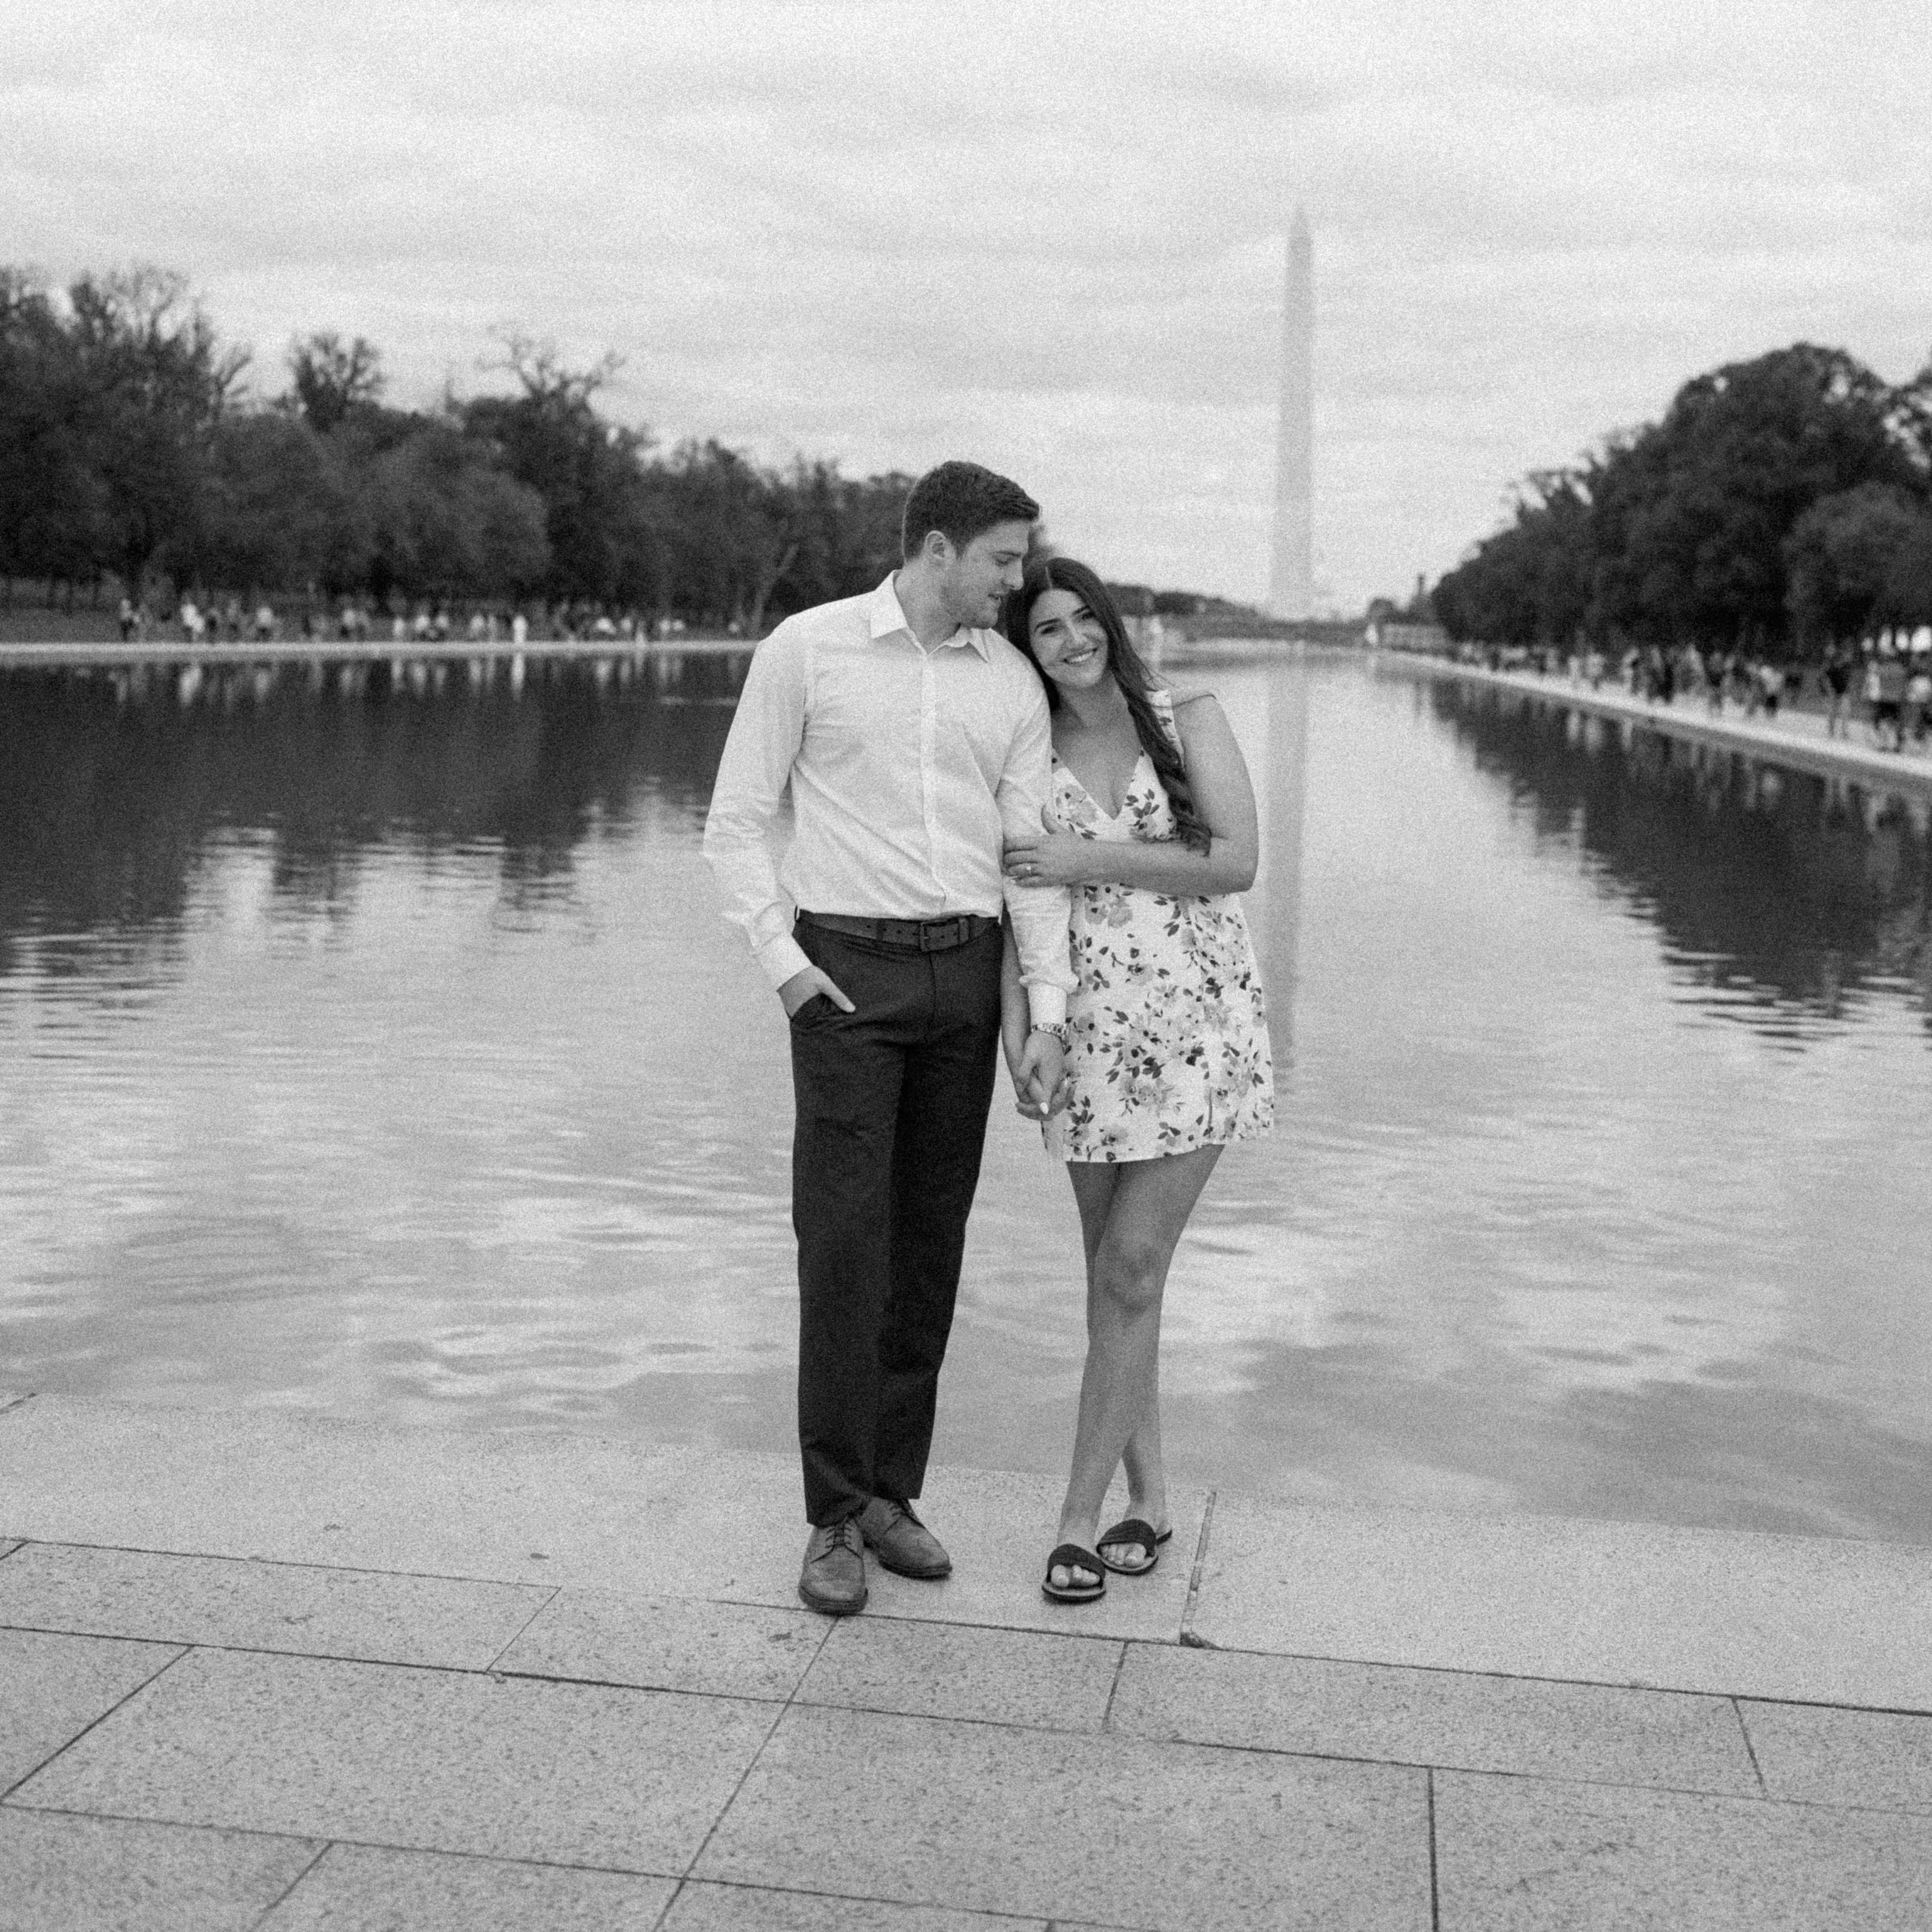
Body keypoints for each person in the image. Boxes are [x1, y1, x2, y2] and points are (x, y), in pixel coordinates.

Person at [704, 461, 1074, 1617]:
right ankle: (828, 1514)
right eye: (1003, 560)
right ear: (934, 548)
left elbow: (1028, 861)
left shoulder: (1009, 681)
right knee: (843, 1243)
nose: (1017, 583)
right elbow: (733, 821)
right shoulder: (806, 650)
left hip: (963, 975)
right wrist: (785, 967)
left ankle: (887, 1494)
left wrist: (1046, 1011)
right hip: (844, 976)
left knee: (926, 1246)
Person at [998, 558, 1274, 1604]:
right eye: (1046, 629)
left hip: (1201, 1028)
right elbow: (1011, 910)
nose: (1070, 641)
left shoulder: (1185, 717)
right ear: (1028, 649)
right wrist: (1022, 1034)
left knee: (1130, 1265)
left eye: (1081, 620)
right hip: (1088, 1041)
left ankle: (1074, 1521)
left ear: (1108, 622)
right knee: (1120, 1280)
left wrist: (1090, 859)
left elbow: (1235, 859)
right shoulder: (1028, 753)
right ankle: (1150, 1498)